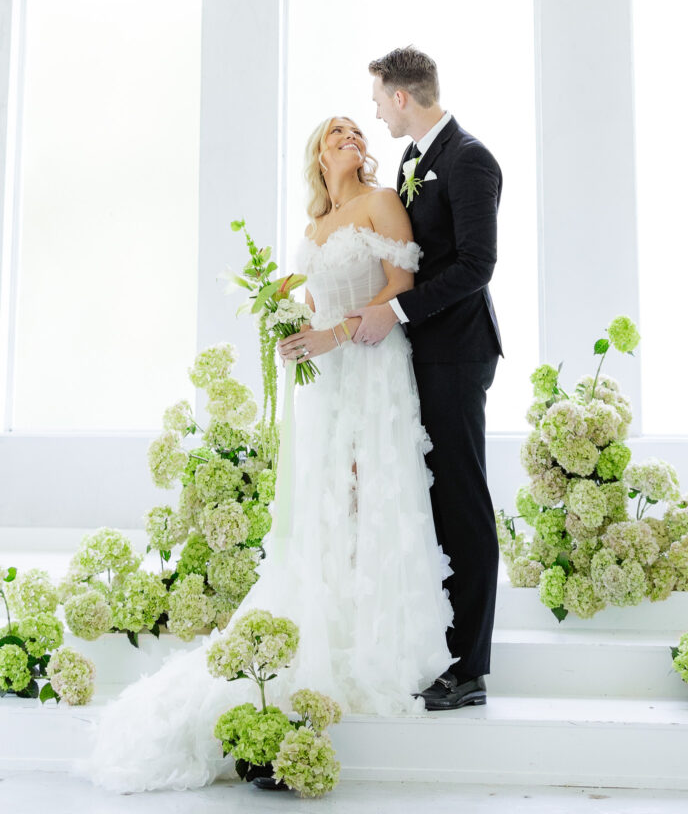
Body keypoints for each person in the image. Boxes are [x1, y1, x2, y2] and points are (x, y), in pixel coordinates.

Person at [78, 115, 454, 792]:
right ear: (318, 152)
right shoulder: (314, 229)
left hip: (371, 366)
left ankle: (373, 636)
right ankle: (328, 615)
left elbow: (400, 290)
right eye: (335, 130)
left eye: (355, 128)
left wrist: (334, 335)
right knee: (325, 499)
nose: (350, 134)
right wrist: (288, 324)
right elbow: (312, 301)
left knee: (370, 489)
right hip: (326, 377)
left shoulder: (382, 201)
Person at [348, 46, 503, 712]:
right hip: (419, 353)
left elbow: (476, 266)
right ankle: (435, 649)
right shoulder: (414, 162)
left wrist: (397, 309)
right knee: (433, 498)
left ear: (403, 98)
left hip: (459, 352)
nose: (376, 110)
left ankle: (469, 669)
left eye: (379, 98)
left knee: (462, 498)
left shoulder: (469, 159)